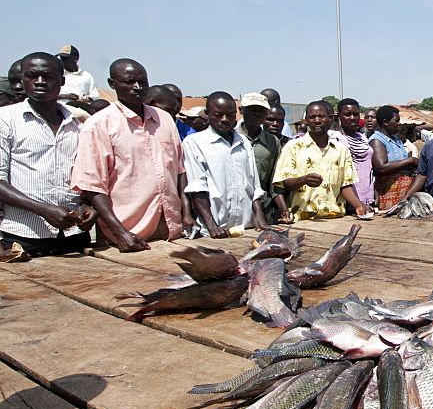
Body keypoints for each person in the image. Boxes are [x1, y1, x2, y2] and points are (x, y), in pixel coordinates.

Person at [71, 58, 192, 252]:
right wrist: (120, 233)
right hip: (124, 233)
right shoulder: (99, 124)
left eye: (142, 82)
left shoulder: (165, 120)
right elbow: (93, 187)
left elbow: (179, 171)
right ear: (112, 84)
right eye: (128, 82)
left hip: (169, 231)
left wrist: (186, 214)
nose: (137, 87)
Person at [0, 52, 97, 256]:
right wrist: (43, 210)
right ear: (22, 80)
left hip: (74, 235)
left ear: (62, 80)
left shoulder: (77, 124)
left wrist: (88, 205)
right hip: (24, 236)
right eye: (32, 76)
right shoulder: (5, 120)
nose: (40, 82)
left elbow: (86, 178)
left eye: (48, 77)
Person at [183, 92, 268, 238]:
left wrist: (259, 215)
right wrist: (212, 226)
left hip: (244, 227)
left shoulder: (243, 142)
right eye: (218, 115)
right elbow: (198, 188)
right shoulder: (194, 143)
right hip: (214, 229)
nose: (224, 120)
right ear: (207, 114)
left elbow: (254, 184)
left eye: (229, 115)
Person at [273, 101, 372, 220]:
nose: (317, 120)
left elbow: (346, 184)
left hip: (335, 217)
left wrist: (358, 206)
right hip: (302, 218)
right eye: (312, 117)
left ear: (330, 118)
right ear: (307, 121)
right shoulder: (293, 147)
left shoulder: (341, 149)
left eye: (321, 116)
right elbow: (285, 183)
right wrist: (303, 180)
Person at [237, 92, 290, 224]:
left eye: (260, 111)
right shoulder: (231, 138)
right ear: (241, 110)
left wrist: (283, 208)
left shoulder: (272, 142)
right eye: (251, 110)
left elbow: (275, 180)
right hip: (236, 209)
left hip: (265, 210)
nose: (256, 114)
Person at [370, 105, 419, 211]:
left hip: (403, 191)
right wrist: (410, 160)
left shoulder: (396, 139)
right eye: (396, 120)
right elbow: (382, 167)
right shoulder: (377, 141)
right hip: (388, 192)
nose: (399, 123)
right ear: (385, 122)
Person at [331, 98, 376, 208]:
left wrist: (374, 191)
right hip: (348, 200)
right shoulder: (335, 138)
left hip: (367, 196)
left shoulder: (362, 138)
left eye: (355, 114)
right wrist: (357, 204)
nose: (352, 118)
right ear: (339, 116)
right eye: (347, 114)